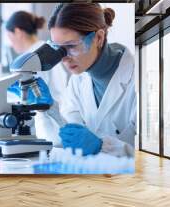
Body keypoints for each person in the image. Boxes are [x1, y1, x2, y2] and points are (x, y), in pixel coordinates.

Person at [19, 3, 136, 157]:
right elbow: (62, 142)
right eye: (58, 48)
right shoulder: (78, 80)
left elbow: (148, 154)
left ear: (98, 38)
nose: (63, 58)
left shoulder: (137, 77)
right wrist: (47, 110)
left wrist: (102, 146)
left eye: (71, 46)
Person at [5, 11, 69, 143]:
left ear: (18, 32)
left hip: (55, 125)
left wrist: (48, 106)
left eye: (10, 37)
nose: (11, 43)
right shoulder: (28, 56)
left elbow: (60, 91)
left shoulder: (44, 56)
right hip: (44, 124)